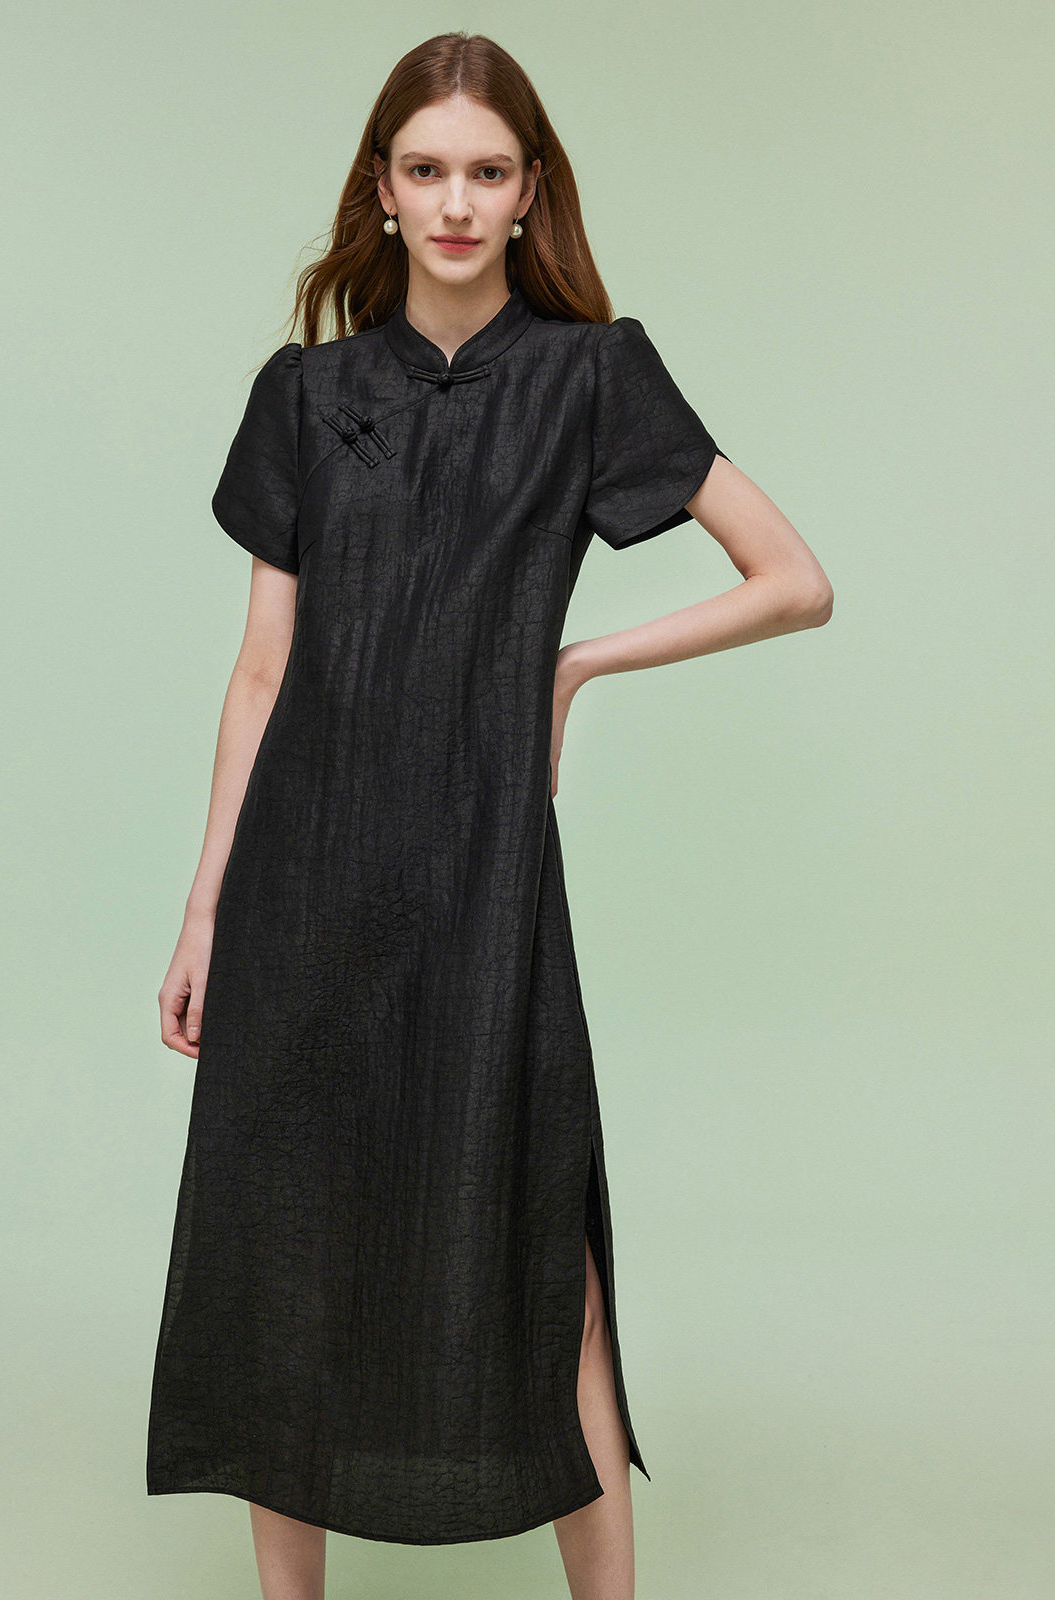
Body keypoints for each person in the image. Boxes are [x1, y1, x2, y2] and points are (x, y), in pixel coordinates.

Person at [150, 30, 831, 1600]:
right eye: (427, 170)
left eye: (487, 172)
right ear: (382, 192)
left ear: (530, 194)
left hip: (484, 878)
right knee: (290, 1254)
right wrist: (203, 910)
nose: (456, 201)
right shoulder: (305, 394)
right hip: (301, 879)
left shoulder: (594, 377)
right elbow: (263, 671)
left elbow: (794, 581)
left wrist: (578, 663)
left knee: (548, 1266)